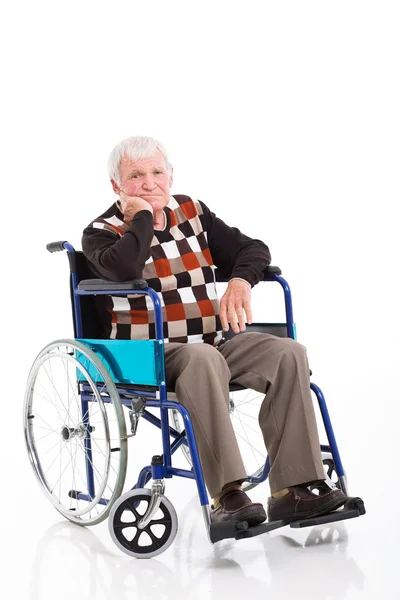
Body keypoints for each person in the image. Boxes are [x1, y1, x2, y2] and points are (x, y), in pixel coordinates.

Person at [82, 135, 346, 526]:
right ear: (116, 187)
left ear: (171, 175)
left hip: (211, 343)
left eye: (157, 172)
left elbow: (253, 248)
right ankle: (228, 495)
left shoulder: (192, 211)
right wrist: (140, 218)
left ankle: (295, 491)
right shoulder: (101, 232)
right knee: (203, 358)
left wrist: (240, 281)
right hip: (148, 357)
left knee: (288, 352)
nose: (150, 182)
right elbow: (124, 269)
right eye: (136, 176)